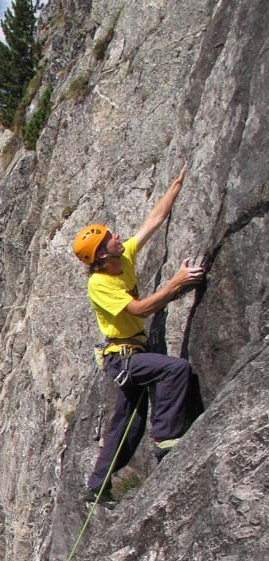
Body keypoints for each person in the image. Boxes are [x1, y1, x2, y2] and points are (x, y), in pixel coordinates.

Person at [72, 165, 204, 504]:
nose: (118, 237)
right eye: (111, 237)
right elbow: (141, 310)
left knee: (127, 425)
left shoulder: (123, 257)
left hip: (131, 355)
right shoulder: (99, 284)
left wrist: (176, 185)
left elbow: (153, 221)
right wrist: (177, 282)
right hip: (123, 359)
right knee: (175, 370)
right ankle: (166, 443)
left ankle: (96, 487)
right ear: (102, 254)